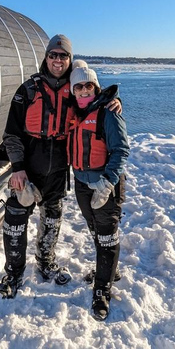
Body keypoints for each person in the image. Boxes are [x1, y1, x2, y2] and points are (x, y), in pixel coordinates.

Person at [0, 35, 119, 300]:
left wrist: (115, 103)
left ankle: (45, 261)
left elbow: (93, 100)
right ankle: (14, 273)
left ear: (70, 60)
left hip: (59, 165)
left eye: (64, 56)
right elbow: (11, 134)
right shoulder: (28, 90)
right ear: (46, 57)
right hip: (29, 162)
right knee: (15, 217)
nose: (58, 60)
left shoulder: (74, 92)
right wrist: (17, 167)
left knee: (52, 216)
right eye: (54, 55)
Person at [68, 64, 129, 320]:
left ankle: (102, 289)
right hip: (81, 182)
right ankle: (109, 270)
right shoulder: (74, 113)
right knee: (94, 229)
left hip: (105, 184)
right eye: (78, 86)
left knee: (106, 235)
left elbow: (121, 150)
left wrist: (107, 183)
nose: (83, 90)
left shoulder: (108, 113)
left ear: (96, 87)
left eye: (88, 86)